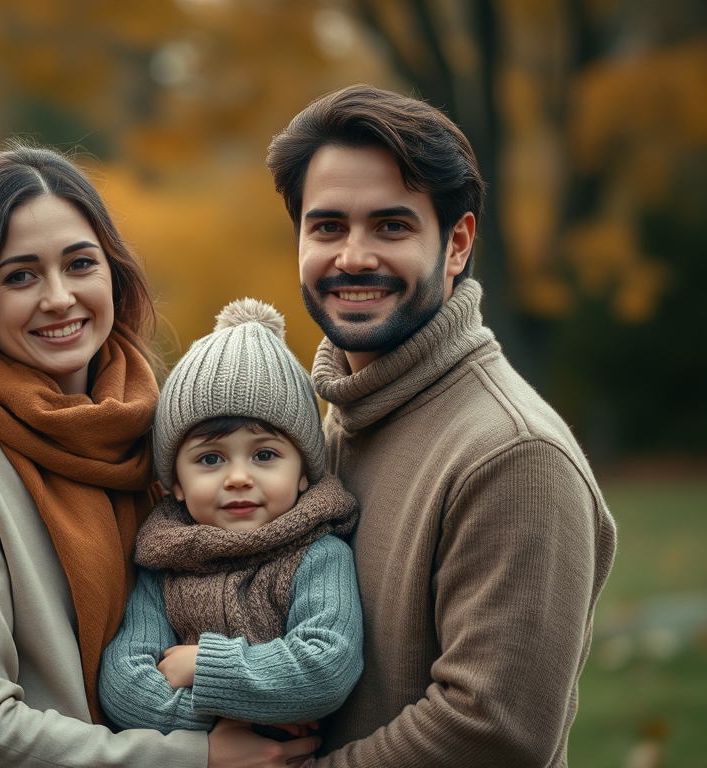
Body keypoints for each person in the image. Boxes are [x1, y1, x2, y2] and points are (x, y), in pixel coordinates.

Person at [0, 141, 321, 768]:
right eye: (20, 275)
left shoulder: (161, 433)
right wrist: (196, 758)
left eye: (80, 264)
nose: (58, 298)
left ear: (112, 273)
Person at [264, 84, 617, 767]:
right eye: (327, 226)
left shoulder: (513, 453)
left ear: (455, 244)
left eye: (392, 226)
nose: (354, 257)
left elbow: (493, 730)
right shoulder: (328, 427)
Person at [99, 298, 363, 735]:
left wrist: (205, 666)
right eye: (209, 459)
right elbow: (124, 683)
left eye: (264, 454)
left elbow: (327, 666)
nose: (238, 477)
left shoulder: (319, 556)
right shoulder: (165, 565)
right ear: (175, 484)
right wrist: (222, 731)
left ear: (303, 473)